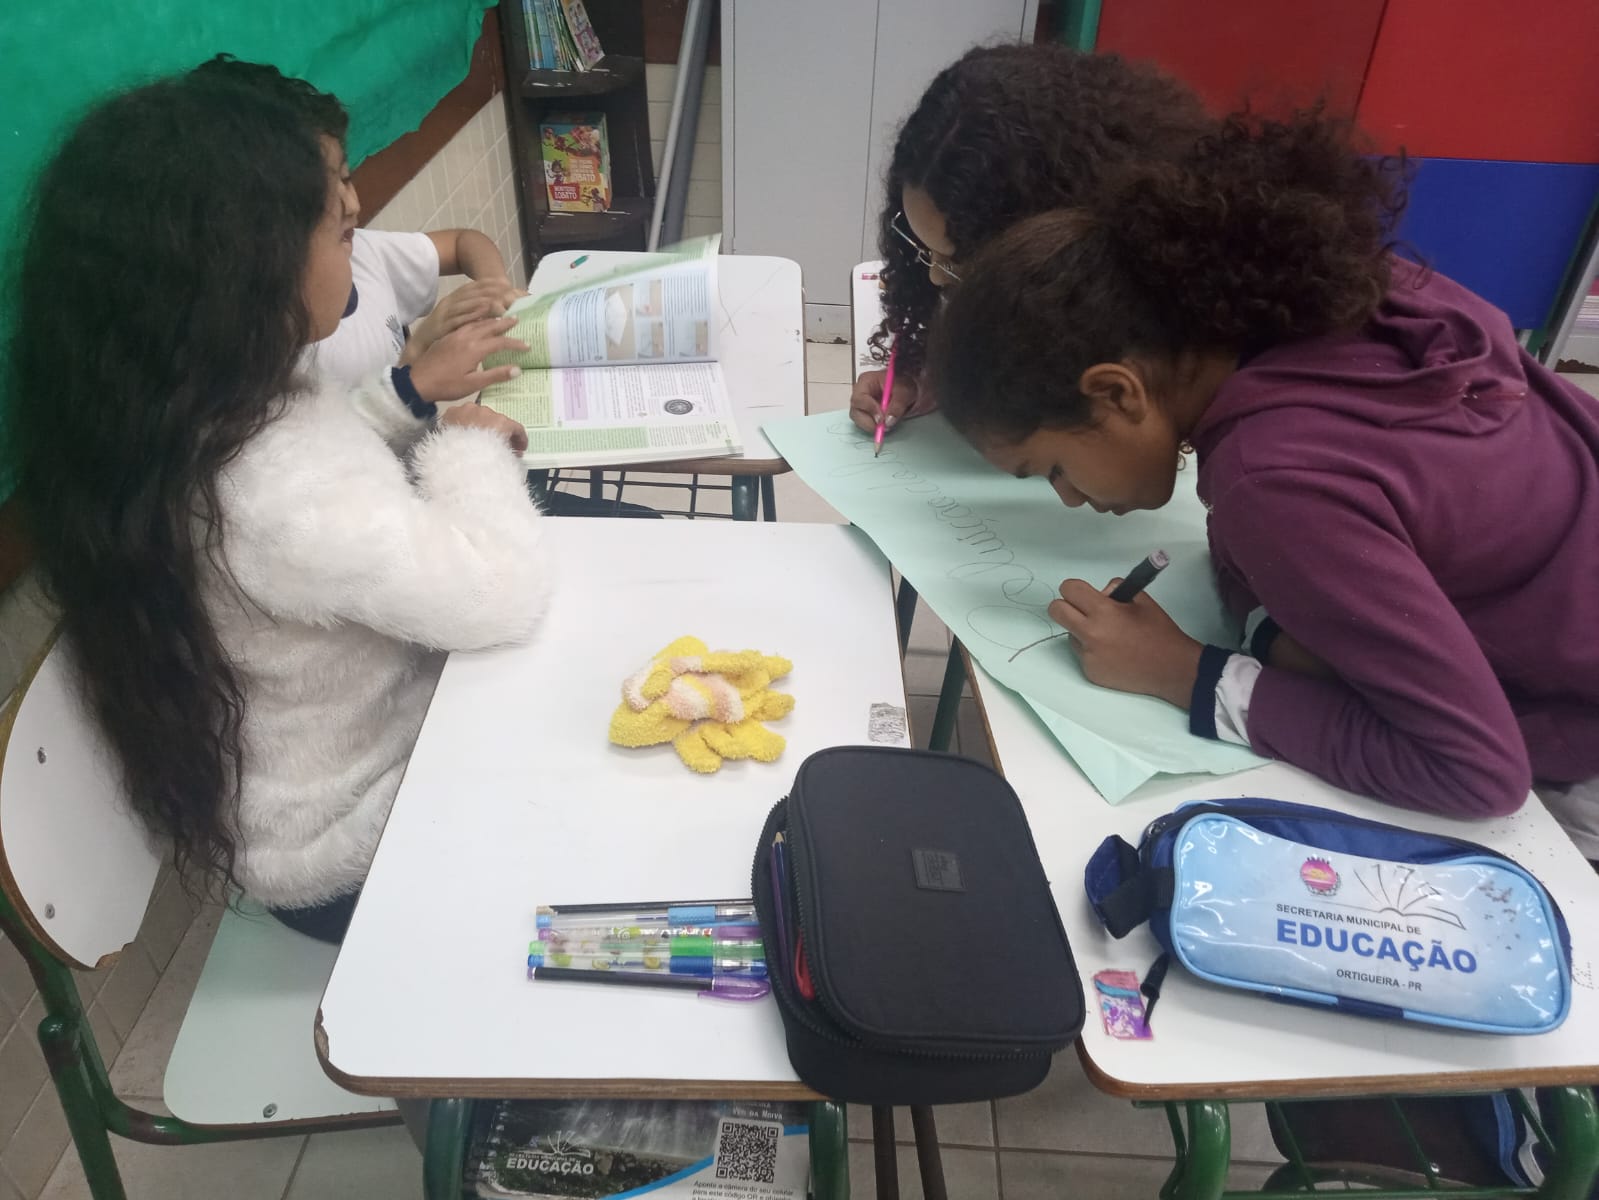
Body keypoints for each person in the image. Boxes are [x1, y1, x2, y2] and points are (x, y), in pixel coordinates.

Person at [926, 99, 1599, 848]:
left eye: (1049, 467)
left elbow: (1474, 772)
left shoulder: (1271, 479)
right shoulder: (1362, 296)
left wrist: (1187, 673)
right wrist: (1274, 631)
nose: (1068, 496)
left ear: (1116, 391)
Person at [10, 59, 551, 943]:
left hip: (347, 775)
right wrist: (470, 448)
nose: (359, 227)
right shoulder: (267, 489)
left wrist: (409, 402)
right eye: (339, 229)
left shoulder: (190, 410)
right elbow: (500, 591)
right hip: (360, 844)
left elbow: (325, 452)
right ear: (248, 268)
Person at [848, 43, 1210, 439]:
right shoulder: (1035, 289)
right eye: (920, 245)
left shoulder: (1163, 313)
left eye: (958, 259)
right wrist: (924, 379)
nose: (934, 276)